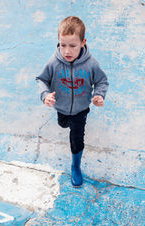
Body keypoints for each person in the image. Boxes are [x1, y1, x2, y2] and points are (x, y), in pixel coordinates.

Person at [36, 16, 109, 187]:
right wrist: (45, 95)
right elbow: (41, 79)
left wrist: (99, 95)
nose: (67, 51)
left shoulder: (91, 64)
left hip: (81, 109)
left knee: (76, 138)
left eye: (72, 45)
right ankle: (65, 121)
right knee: (63, 124)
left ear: (83, 42)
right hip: (61, 106)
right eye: (63, 45)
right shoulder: (54, 62)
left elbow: (102, 81)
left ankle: (76, 166)